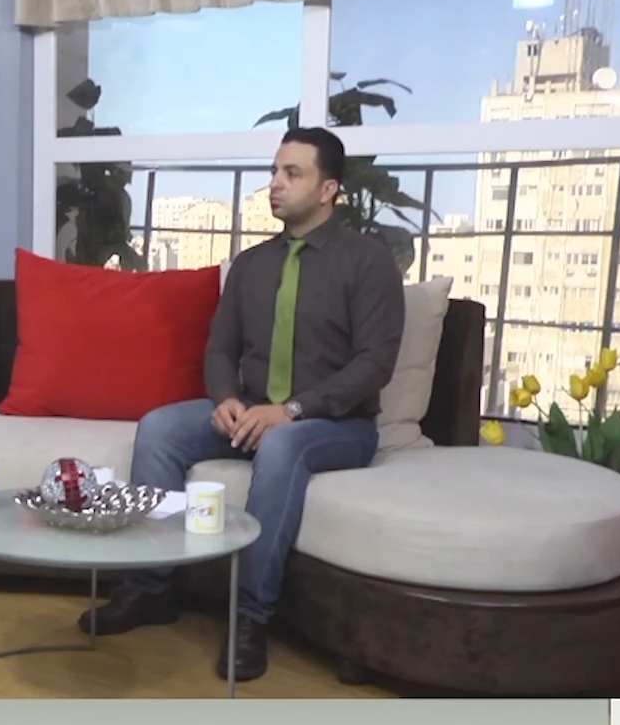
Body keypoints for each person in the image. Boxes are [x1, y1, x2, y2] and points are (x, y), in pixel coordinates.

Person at [80, 126, 405, 682]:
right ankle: (150, 587)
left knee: (281, 446)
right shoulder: (252, 265)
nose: (275, 183)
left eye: (292, 173)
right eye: (275, 171)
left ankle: (251, 616)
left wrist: (293, 411)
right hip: (251, 411)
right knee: (160, 429)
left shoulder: (368, 262)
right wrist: (225, 398)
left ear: (328, 189)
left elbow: (374, 365)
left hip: (334, 424)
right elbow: (220, 348)